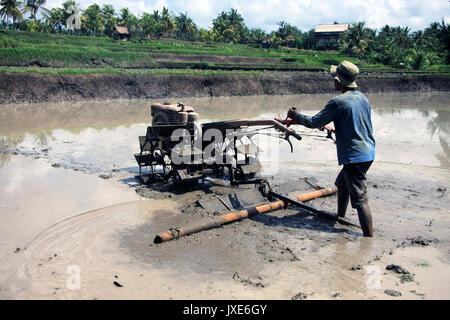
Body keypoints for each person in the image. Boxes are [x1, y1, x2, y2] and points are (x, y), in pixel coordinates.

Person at [287, 61, 375, 237]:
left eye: (334, 79)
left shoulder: (337, 102)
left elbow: (314, 122)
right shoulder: (362, 98)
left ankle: (368, 238)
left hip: (354, 156)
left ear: (338, 81)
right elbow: (353, 121)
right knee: (342, 184)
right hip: (368, 151)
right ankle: (340, 216)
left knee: (360, 199)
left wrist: (296, 116)